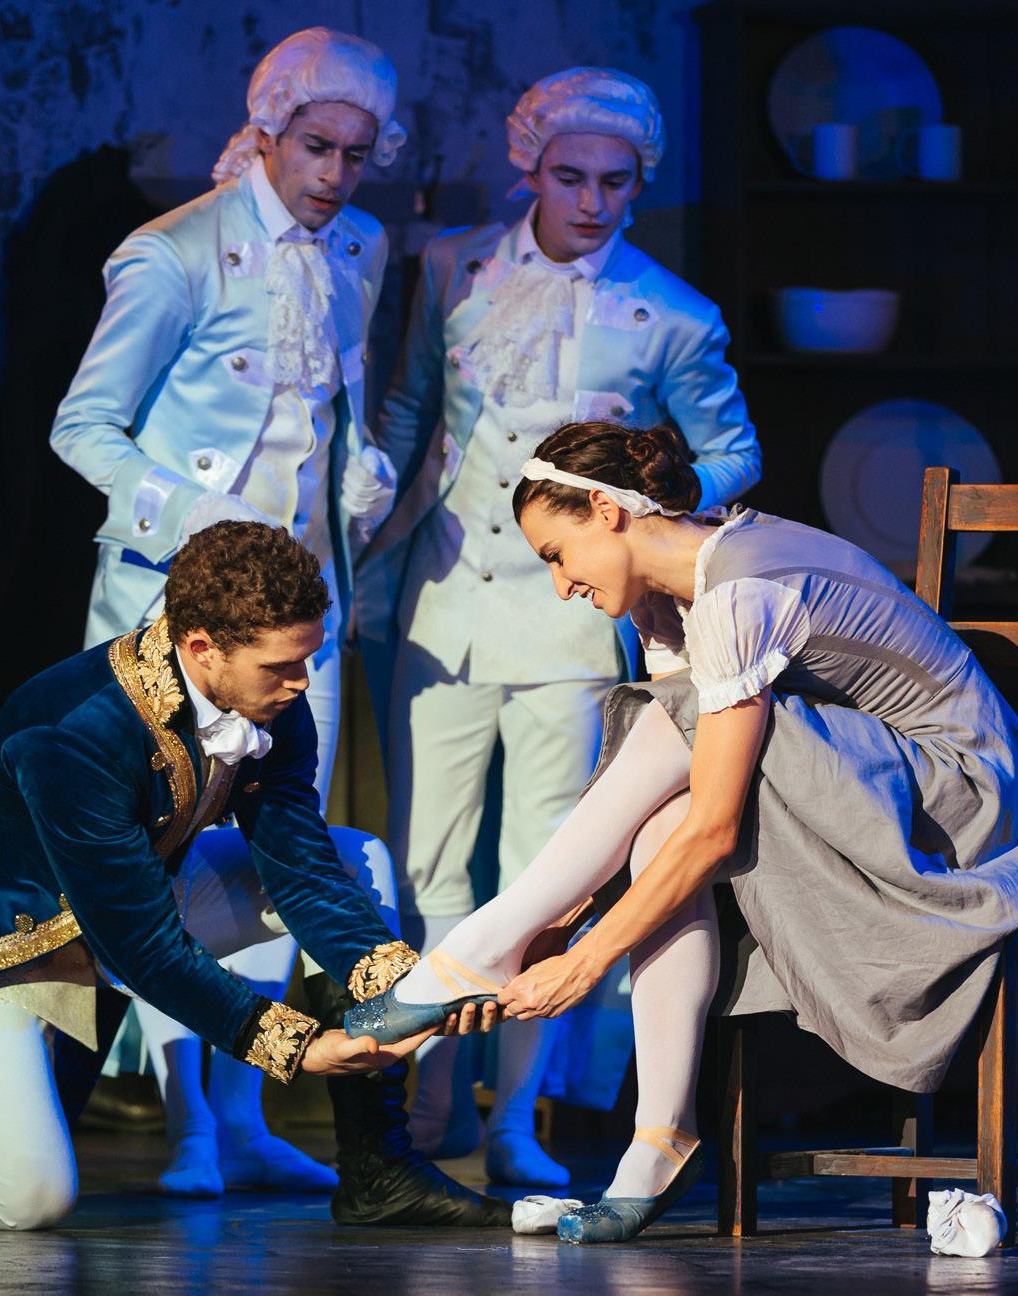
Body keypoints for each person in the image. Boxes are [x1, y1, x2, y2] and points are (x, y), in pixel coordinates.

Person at [348, 422, 1018, 1242]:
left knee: (676, 729)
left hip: (957, 805)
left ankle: (480, 943)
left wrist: (587, 957)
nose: (560, 584)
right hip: (865, 780)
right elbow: (677, 800)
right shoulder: (681, 591)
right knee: (660, 821)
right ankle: (661, 1134)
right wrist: (567, 920)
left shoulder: (735, 591)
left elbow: (717, 829)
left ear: (607, 511)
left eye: (557, 554)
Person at [0, 522, 508, 1232]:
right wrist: (297, 1046)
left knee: (355, 855)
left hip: (132, 902)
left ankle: (377, 1168)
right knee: (27, 1197)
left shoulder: (270, 696)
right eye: (281, 666)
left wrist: (406, 997)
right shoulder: (71, 728)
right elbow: (141, 944)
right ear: (202, 647)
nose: (302, 681)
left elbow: (300, 865)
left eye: (308, 658)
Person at [357, 68, 762, 1186]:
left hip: (575, 614)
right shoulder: (453, 267)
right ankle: (434, 1099)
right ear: (529, 167)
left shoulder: (672, 312)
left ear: (640, 182)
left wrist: (654, 498)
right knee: (428, 857)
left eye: (615, 181)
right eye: (570, 175)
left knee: (549, 866)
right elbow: (411, 405)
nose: (591, 200)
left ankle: (517, 1119)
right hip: (447, 596)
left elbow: (735, 450)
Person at [50, 27, 404, 1196]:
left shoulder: (360, 246)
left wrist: (362, 472)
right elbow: (82, 428)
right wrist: (193, 514)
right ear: (264, 131)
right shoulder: (173, 253)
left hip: (299, 613)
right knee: (164, 854)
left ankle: (246, 1117)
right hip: (177, 605)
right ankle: (188, 1125)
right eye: (316, 147)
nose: (336, 174)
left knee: (279, 851)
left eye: (357, 153)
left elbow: (339, 404)